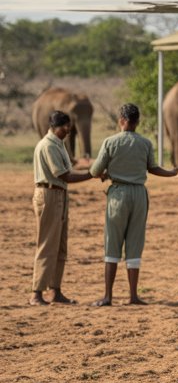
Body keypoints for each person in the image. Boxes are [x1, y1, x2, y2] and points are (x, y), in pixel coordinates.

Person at [89, 103, 178, 306]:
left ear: (121, 120)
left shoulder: (110, 142)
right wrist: (172, 173)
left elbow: (95, 171)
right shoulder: (145, 143)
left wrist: (105, 174)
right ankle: (133, 296)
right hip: (139, 194)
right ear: (137, 122)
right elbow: (153, 168)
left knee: (112, 243)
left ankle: (108, 296)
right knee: (135, 243)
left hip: (117, 195)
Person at [30, 110, 96, 306]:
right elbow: (64, 175)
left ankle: (55, 290)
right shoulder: (48, 145)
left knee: (60, 246)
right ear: (53, 126)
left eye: (68, 126)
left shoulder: (59, 144)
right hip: (49, 194)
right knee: (47, 245)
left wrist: (89, 168)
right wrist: (92, 174)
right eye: (64, 127)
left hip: (59, 195)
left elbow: (70, 170)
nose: (68, 130)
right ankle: (36, 293)